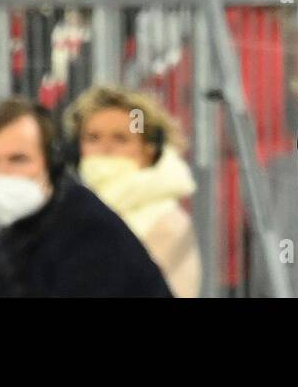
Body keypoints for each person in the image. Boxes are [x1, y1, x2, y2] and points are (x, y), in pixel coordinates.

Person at [0, 97, 172, 297]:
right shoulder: (8, 241)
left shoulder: (90, 231)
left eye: (19, 159)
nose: (3, 173)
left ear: (52, 164)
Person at [65, 86, 201, 298]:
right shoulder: (70, 211)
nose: (105, 148)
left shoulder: (167, 224)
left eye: (120, 138)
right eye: (93, 138)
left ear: (149, 150)